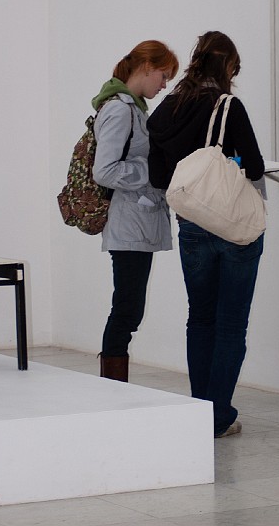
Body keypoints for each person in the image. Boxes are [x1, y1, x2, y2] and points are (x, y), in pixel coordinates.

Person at [147, 31, 265, 437]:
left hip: (192, 225)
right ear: (228, 65)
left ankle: (200, 412)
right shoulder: (228, 106)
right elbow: (255, 166)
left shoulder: (167, 109)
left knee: (200, 318)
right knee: (231, 324)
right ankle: (217, 416)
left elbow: (159, 176)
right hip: (234, 228)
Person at [92, 39, 179, 382]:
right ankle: (113, 385)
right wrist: (151, 171)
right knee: (127, 310)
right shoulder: (120, 110)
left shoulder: (134, 108)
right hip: (128, 223)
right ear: (146, 67)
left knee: (129, 309)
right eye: (163, 75)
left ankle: (115, 384)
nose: (164, 85)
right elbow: (104, 171)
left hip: (136, 222)